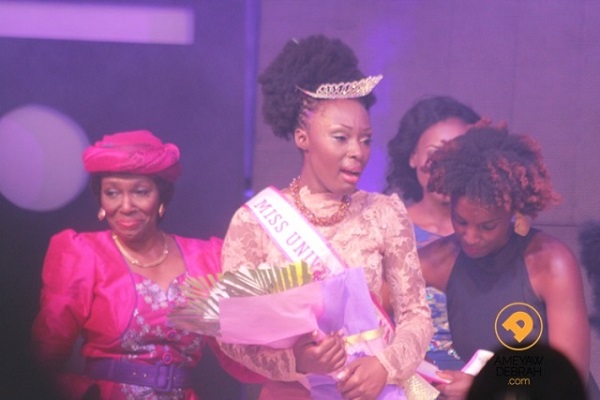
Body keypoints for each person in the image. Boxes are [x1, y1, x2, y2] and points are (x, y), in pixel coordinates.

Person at [218, 35, 433, 399]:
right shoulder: (254, 222)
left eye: (365, 139)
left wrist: (385, 365)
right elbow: (231, 335)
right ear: (302, 137)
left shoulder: (385, 213)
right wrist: (298, 361)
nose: (358, 152)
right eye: (341, 137)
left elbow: (416, 316)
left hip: (371, 391)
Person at [31, 130, 262, 400]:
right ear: (101, 199)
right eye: (112, 193)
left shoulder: (205, 258)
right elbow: (45, 356)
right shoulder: (83, 253)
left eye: (140, 192)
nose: (126, 206)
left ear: (161, 196)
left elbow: (240, 357)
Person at [418, 125, 591, 399]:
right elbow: (369, 310)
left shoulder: (552, 263)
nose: (470, 237)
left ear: (513, 212)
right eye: (460, 221)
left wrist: (488, 382)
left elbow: (568, 373)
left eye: (487, 226)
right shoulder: (439, 260)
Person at [386, 96, 481, 371]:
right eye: (435, 152)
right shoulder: (386, 227)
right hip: (406, 380)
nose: (446, 164)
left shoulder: (492, 235)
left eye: (458, 153)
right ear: (413, 156)